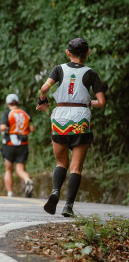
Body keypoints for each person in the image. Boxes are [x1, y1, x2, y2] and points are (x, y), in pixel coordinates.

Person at [36, 38, 105, 217]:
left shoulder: (58, 69)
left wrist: (42, 100)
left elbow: (44, 88)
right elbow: (101, 102)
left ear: (68, 52)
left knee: (61, 163)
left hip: (60, 120)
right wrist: (86, 101)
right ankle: (68, 206)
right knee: (76, 168)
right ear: (88, 52)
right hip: (80, 120)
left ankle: (55, 191)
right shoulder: (91, 73)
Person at [0, 93, 34, 197]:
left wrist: (7, 129)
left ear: (7, 103)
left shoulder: (7, 114)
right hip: (23, 144)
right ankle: (27, 180)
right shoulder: (25, 114)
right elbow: (31, 129)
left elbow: (2, 127)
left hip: (9, 144)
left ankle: (10, 192)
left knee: (8, 169)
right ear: (17, 102)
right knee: (20, 170)